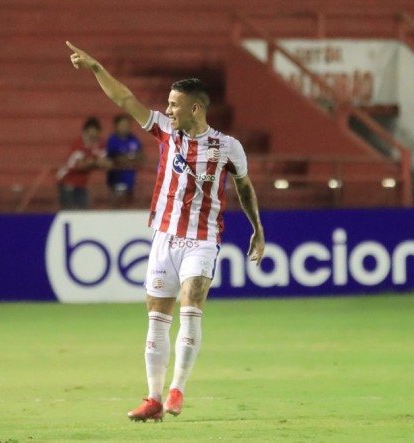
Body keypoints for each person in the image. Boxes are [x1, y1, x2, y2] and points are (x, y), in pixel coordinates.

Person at [67, 41, 265, 422]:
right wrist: (96, 68)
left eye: (175, 104)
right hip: (164, 237)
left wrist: (258, 229)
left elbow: (244, 187)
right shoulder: (165, 132)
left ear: (196, 108)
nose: (168, 109)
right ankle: (154, 399)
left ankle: (178, 389)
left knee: (191, 302)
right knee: (157, 317)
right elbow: (124, 99)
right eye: (168, 104)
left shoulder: (228, 147)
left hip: (202, 240)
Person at [55, 117, 110, 210]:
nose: (92, 135)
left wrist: (95, 162)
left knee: (83, 212)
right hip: (67, 182)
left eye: (95, 133)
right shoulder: (79, 144)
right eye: (90, 132)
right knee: (69, 211)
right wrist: (95, 162)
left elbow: (105, 163)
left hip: (82, 184)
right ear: (85, 132)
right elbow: (80, 164)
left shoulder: (99, 145)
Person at [106, 114, 144, 207]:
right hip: (116, 180)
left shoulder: (134, 139)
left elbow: (141, 156)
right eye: (122, 125)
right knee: (116, 205)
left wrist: (126, 158)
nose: (125, 127)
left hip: (131, 180)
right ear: (116, 126)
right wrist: (130, 158)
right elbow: (114, 158)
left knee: (129, 206)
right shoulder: (112, 140)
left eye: (127, 125)